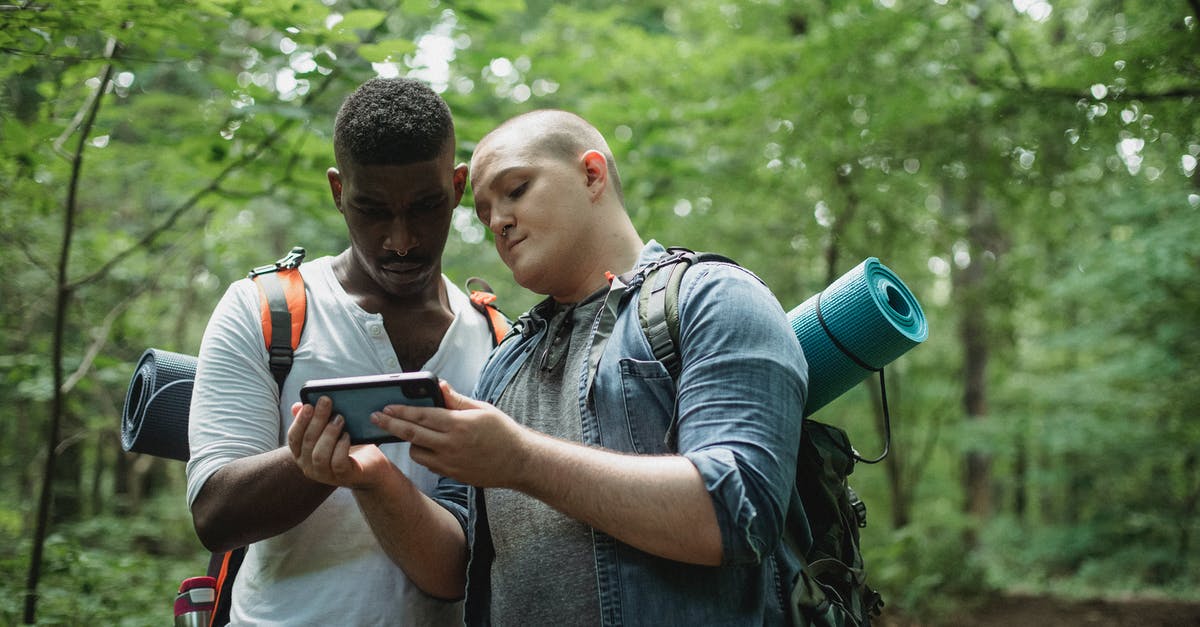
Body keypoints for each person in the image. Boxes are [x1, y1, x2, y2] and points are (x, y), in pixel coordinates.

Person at [290, 109, 809, 624]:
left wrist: (520, 460)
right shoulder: (504, 362)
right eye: (485, 211)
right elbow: (454, 572)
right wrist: (372, 481)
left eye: (516, 190)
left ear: (591, 174)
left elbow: (740, 512)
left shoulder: (711, 298)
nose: (498, 221)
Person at [185, 77, 495, 625]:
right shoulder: (263, 311)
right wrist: (315, 465)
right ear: (336, 191)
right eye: (371, 209)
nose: (400, 240)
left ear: (458, 186)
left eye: (425, 206)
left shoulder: (495, 339)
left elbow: (481, 553)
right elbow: (214, 513)